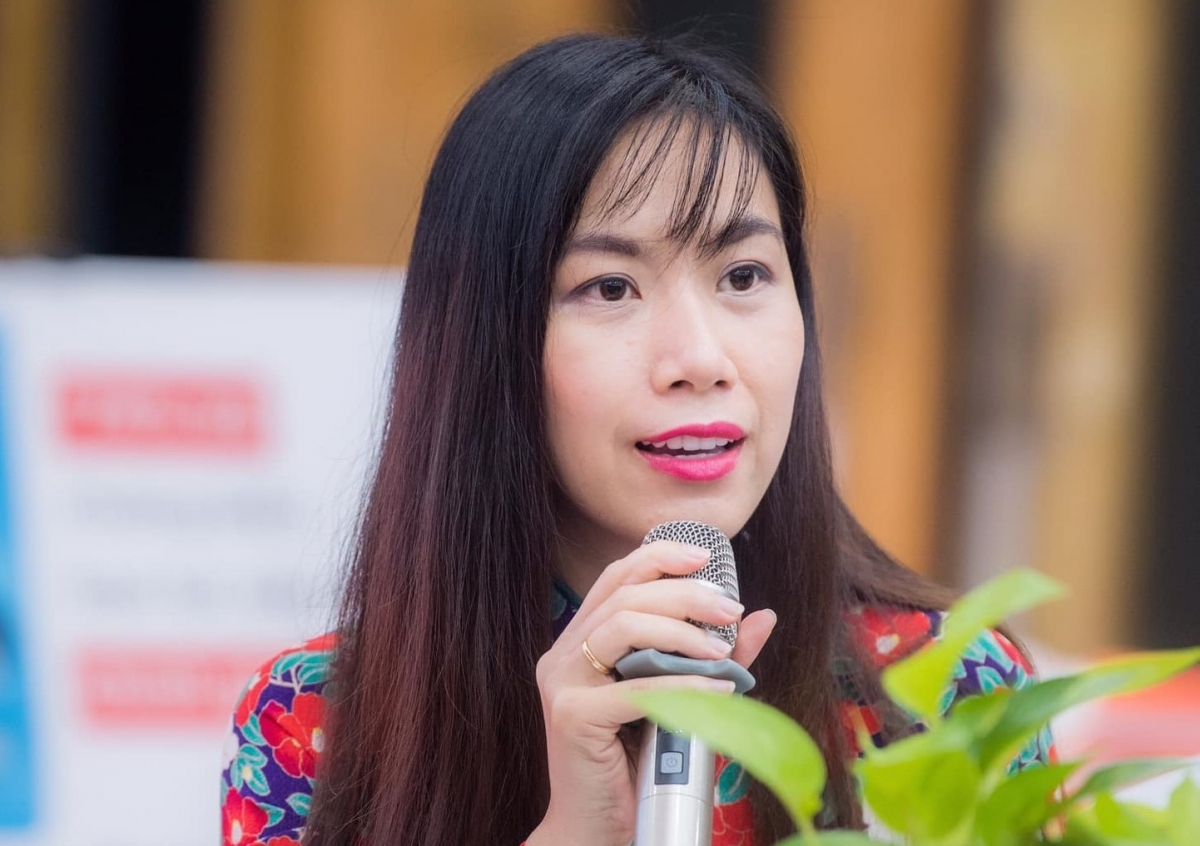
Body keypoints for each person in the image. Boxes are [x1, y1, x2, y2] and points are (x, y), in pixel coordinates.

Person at [219, 33, 1053, 846]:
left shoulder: (944, 697)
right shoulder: (313, 726)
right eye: (610, 287)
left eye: (744, 276)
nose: (700, 359)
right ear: (484, 342)